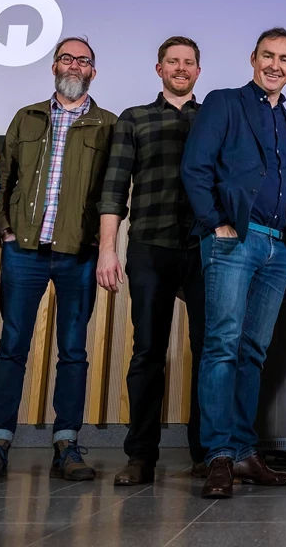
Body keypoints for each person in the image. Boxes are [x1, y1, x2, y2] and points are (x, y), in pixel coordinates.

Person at [0, 37, 116, 485]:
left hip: (78, 254)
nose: (74, 65)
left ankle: (66, 443)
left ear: (93, 71)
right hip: (23, 251)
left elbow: (112, 189)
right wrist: (4, 231)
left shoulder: (108, 125)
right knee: (11, 347)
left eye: (83, 60)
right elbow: (1, 176)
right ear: (54, 66)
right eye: (66, 57)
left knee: (73, 351)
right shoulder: (26, 117)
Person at [181, 27, 286, 499]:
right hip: (234, 241)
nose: (275, 65)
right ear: (253, 58)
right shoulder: (224, 102)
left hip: (277, 249)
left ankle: (242, 451)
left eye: (285, 59)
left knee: (252, 351)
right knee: (222, 345)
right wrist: (216, 222)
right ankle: (217, 455)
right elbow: (195, 167)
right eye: (268, 56)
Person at [97, 36, 208, 485]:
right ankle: (140, 455)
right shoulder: (133, 118)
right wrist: (108, 249)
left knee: (210, 353)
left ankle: (208, 453)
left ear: (198, 71)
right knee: (147, 353)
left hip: (206, 249)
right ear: (159, 69)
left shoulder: (213, 117)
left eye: (189, 62)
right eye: (172, 62)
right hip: (150, 246)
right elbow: (113, 187)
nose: (180, 68)